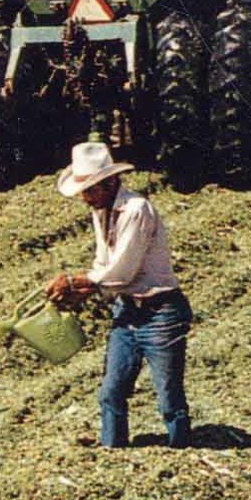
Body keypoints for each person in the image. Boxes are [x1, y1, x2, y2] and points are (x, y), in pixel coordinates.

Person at [46, 142, 192, 448]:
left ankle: (181, 449)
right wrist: (81, 291)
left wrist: (73, 282)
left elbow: (122, 272)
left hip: (160, 312)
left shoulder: (137, 210)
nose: (85, 198)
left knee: (168, 396)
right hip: (127, 311)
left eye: (90, 190)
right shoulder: (101, 212)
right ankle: (112, 449)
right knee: (111, 392)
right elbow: (103, 265)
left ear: (110, 182)